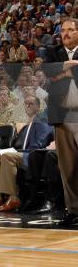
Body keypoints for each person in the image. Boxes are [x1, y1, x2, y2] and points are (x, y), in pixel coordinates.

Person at [0, 96, 53, 212]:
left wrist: (16, 152)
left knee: (7, 156)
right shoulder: (25, 126)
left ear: (38, 107)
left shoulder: (43, 124)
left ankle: (13, 198)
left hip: (34, 157)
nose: (27, 106)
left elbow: (37, 147)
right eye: (26, 103)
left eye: (31, 103)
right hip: (21, 155)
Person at [44, 18, 78, 227]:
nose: (66, 34)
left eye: (71, 30)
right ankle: (73, 210)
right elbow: (48, 71)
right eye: (63, 30)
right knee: (68, 168)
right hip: (62, 117)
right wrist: (72, 66)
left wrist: (62, 73)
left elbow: (55, 75)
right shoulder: (52, 51)